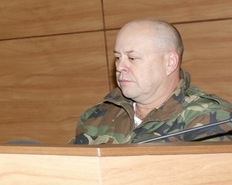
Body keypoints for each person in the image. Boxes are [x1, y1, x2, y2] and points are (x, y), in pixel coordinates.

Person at [72, 19, 232, 144]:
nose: (120, 67)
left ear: (170, 63)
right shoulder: (96, 117)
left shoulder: (210, 118)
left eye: (132, 58)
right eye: (118, 58)